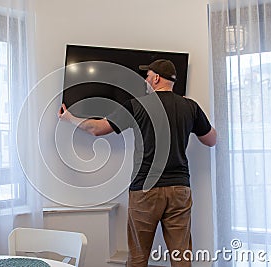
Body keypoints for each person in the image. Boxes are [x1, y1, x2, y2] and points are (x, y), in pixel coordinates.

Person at [58, 59, 217, 267]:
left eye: (148, 76)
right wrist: (190, 113)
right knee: (181, 257)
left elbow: (97, 129)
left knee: (138, 258)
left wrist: (69, 118)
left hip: (145, 190)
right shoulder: (190, 106)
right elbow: (211, 140)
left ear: (157, 78)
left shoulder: (137, 105)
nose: (145, 80)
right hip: (180, 189)